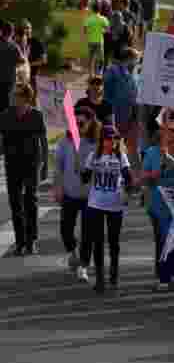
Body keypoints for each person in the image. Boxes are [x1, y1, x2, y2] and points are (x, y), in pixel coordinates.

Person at [142, 109, 174, 291]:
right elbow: (144, 176)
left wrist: (168, 157)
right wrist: (152, 174)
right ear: (161, 131)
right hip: (159, 202)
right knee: (163, 239)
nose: (172, 133)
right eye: (169, 130)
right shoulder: (151, 151)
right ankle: (164, 276)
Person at [81, 124, 134, 294]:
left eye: (114, 138)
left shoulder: (121, 157)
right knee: (97, 242)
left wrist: (129, 187)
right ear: (102, 140)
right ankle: (100, 279)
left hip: (115, 204)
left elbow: (128, 178)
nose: (112, 141)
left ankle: (114, 276)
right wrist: (83, 169)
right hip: (95, 203)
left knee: (114, 242)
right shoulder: (93, 156)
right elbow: (85, 178)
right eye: (108, 138)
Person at [54, 106, 99, 283]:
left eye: (82, 123)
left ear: (90, 123)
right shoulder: (65, 141)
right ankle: (72, 252)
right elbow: (58, 166)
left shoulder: (97, 143)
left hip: (90, 195)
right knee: (65, 229)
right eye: (75, 122)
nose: (78, 126)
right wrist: (57, 187)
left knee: (89, 232)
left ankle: (83, 266)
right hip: (70, 193)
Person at [0, 83, 47, 255]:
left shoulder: (36, 115)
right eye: (13, 95)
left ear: (26, 97)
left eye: (17, 95)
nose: (14, 97)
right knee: (15, 203)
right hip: (12, 164)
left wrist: (44, 167)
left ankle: (31, 240)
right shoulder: (5, 115)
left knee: (30, 201)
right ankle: (20, 242)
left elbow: (43, 141)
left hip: (32, 163)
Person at [83, 3, 110, 75]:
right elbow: (108, 30)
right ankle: (98, 74)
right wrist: (102, 31)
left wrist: (90, 32)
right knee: (100, 59)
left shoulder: (88, 19)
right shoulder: (103, 19)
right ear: (100, 9)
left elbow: (85, 31)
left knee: (90, 59)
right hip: (99, 41)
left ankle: (90, 74)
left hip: (91, 41)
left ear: (92, 9)